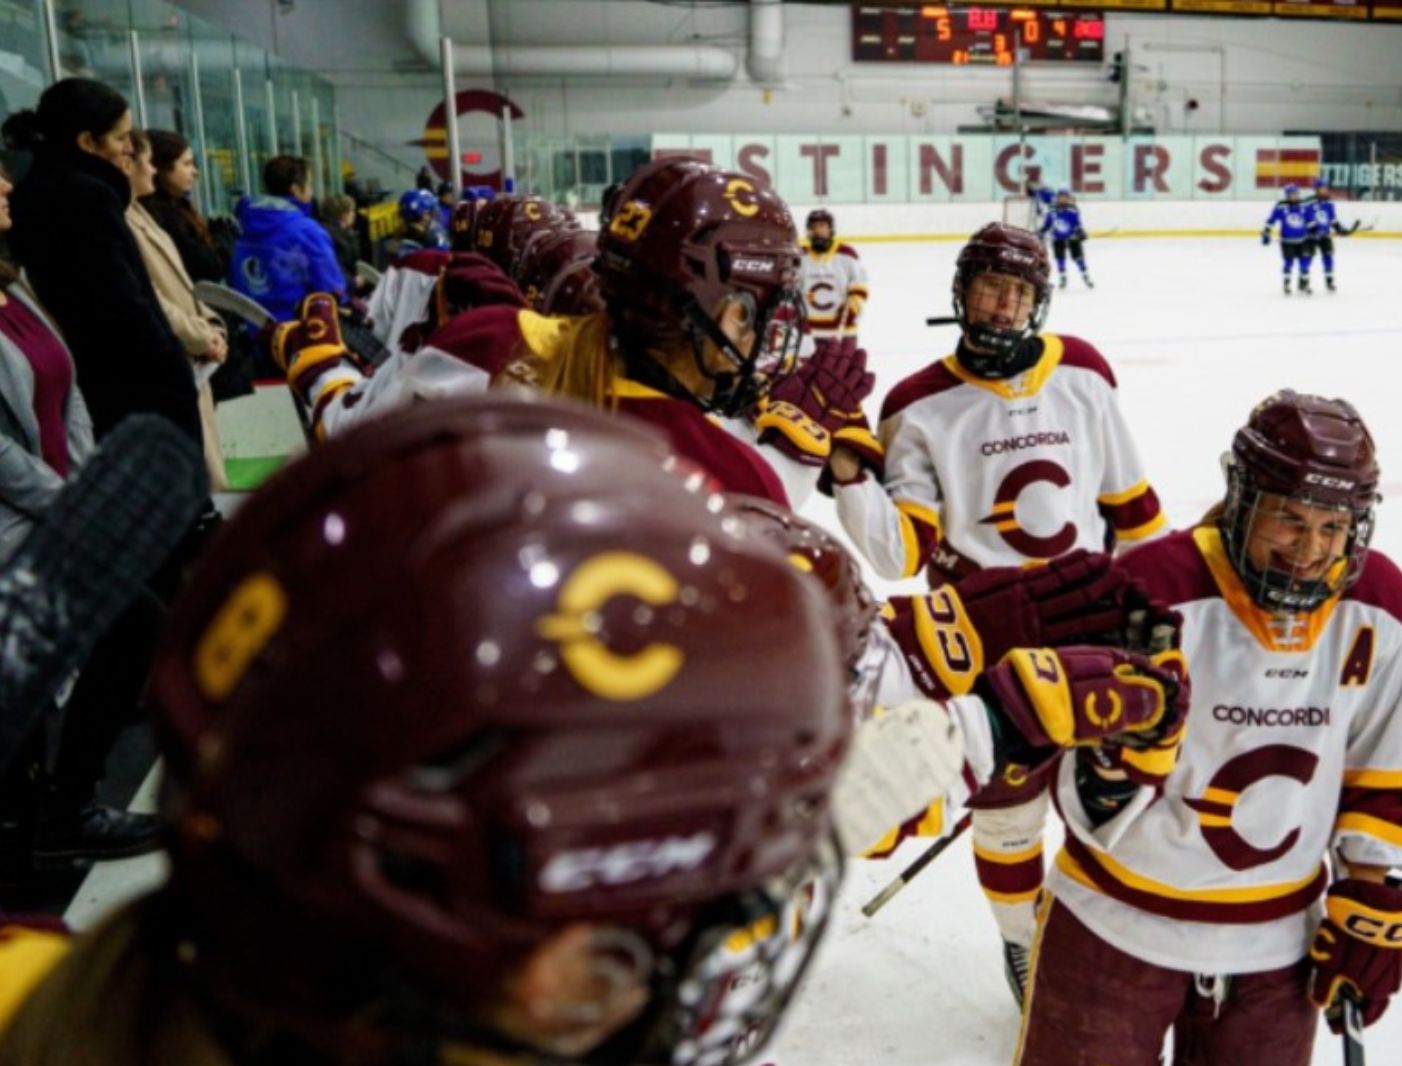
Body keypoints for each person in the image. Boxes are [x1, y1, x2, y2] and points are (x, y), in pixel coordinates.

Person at [0, 396, 1189, 1066]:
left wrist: (972, 718)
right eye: (642, 935)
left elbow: (615, 829)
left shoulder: (99, 987)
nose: (712, 940)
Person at [1013, 390, 1402, 1066]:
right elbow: (1073, 773)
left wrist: (1370, 896)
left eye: (1333, 527)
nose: (1311, 549)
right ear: (1240, 500)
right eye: (1289, 521)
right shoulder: (1150, 590)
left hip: (1276, 946)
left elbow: (1383, 761)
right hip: (1114, 922)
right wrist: (1117, 766)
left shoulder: (1382, 603)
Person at [825, 221, 1166, 1004]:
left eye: (1019, 293)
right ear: (961, 293)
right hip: (987, 636)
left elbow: (1133, 509)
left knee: (1126, 790)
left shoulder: (1082, 372)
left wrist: (1161, 604)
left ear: (1039, 301)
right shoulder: (917, 402)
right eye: (989, 289)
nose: (1004, 307)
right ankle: (1024, 943)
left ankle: (1120, 936)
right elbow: (901, 554)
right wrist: (849, 476)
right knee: (1008, 816)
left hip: (1091, 619)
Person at [271, 160, 812, 507]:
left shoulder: (485, 343)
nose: (763, 335)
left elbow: (347, 439)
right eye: (758, 313)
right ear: (729, 313)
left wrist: (319, 364)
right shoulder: (735, 477)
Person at [0, 163, 161, 863]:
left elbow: (68, 391)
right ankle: (59, 812)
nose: (7, 189)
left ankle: (51, 808)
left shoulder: (15, 287)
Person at [2, 78, 203, 447]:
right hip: (133, 387)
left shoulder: (39, 190)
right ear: (87, 142)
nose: (129, 148)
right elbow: (121, 300)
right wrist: (171, 364)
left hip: (96, 383)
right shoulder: (87, 197)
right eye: (120, 138)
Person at [123, 129, 230, 492]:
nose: (150, 171)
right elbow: (150, 295)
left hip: (193, 354)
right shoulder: (125, 220)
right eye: (185, 163)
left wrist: (211, 326)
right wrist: (202, 335)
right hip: (177, 356)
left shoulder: (142, 214)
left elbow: (183, 285)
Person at [228, 154, 348, 322]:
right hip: (300, 335)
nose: (311, 192)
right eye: (309, 185)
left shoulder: (244, 225)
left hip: (254, 333)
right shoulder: (308, 231)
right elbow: (331, 291)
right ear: (296, 189)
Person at [138, 129, 227, 285]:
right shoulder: (164, 216)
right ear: (162, 168)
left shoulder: (177, 205)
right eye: (186, 164)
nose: (195, 171)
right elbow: (205, 269)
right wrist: (224, 241)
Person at [800, 209, 869, 343]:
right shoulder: (800, 256)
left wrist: (854, 308)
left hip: (843, 332)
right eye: (813, 227)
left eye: (822, 226)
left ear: (831, 229)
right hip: (809, 332)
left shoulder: (847, 254)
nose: (817, 231)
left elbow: (860, 285)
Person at [1306, 178, 1357, 294]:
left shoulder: (1329, 204)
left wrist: (1341, 229)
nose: (1326, 190)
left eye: (1326, 188)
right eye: (1323, 188)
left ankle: (1329, 281)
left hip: (1325, 236)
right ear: (1317, 190)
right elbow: (1307, 218)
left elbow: (1333, 221)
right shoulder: (1309, 203)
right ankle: (1304, 282)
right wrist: (1313, 229)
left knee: (1328, 257)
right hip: (1311, 237)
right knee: (1307, 258)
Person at [1262, 184, 1315, 296]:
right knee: (1288, 263)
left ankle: (1305, 284)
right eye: (1292, 194)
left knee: (1304, 263)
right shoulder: (1281, 206)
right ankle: (1286, 284)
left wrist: (1313, 229)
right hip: (1287, 242)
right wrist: (1266, 231)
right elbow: (1271, 220)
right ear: (1287, 195)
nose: (1295, 196)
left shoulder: (1304, 205)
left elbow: (1310, 220)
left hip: (1303, 240)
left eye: (1296, 194)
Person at [379, 187, 448, 265]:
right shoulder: (422, 244)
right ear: (423, 217)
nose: (431, 216)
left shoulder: (392, 242)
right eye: (430, 212)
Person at [1041, 190, 1092, 290]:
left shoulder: (1073, 210)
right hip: (1058, 238)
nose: (1062, 199)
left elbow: (1077, 224)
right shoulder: (1052, 211)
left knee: (1078, 258)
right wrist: (1041, 232)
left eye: (1065, 197)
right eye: (1060, 197)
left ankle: (1085, 275)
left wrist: (1080, 232)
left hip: (1073, 238)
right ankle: (1062, 277)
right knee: (1060, 258)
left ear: (1068, 198)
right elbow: (1047, 225)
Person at [318, 193, 359, 285]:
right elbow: (345, 268)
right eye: (352, 211)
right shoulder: (339, 239)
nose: (354, 214)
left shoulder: (321, 228)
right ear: (344, 215)